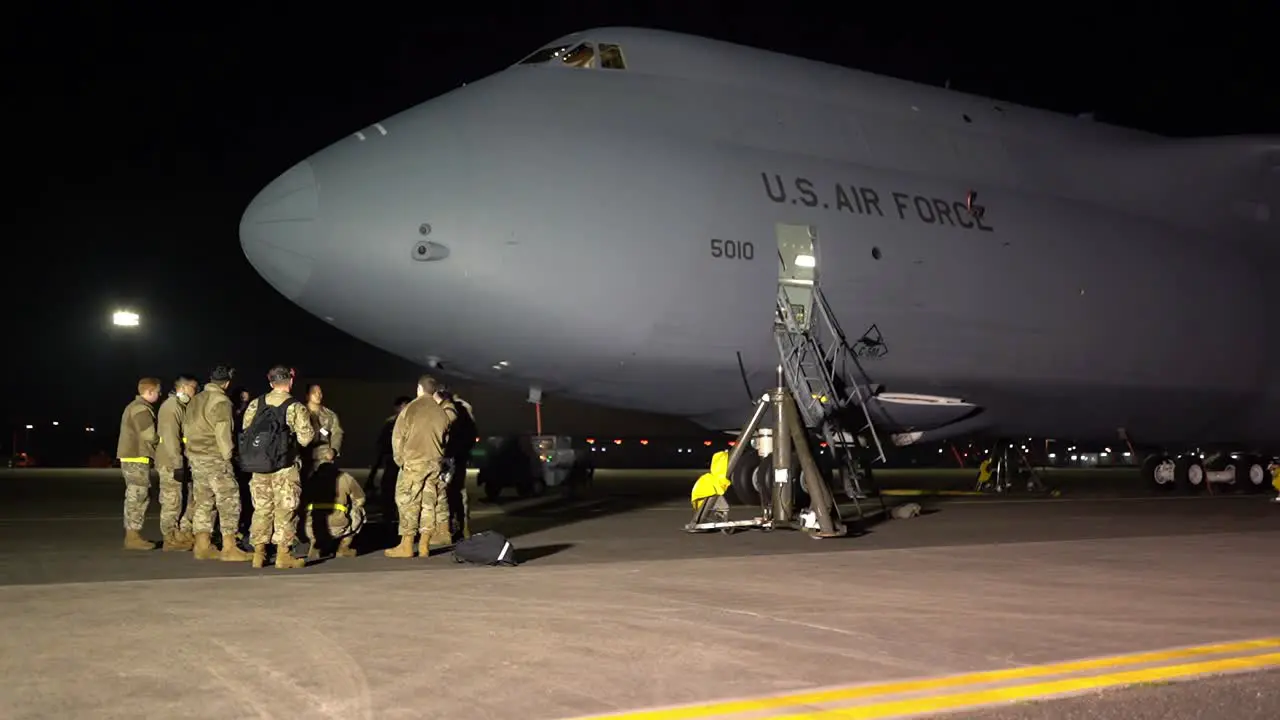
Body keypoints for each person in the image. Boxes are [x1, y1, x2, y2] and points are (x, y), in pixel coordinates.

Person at [240, 365, 315, 570]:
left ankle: (259, 554)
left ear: (270, 381)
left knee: (262, 509)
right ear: (290, 381)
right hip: (284, 466)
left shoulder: (257, 403)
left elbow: (246, 429)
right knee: (285, 509)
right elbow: (306, 438)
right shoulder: (295, 406)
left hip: (259, 465)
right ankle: (283, 555)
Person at [185, 364, 252, 562]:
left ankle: (202, 545)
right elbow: (223, 433)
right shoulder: (221, 401)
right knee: (228, 500)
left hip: (196, 458)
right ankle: (230, 547)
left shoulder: (196, 399)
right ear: (227, 383)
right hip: (215, 458)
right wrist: (229, 456)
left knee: (204, 502)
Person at [385, 375, 455, 558]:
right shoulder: (441, 412)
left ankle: (406, 545)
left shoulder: (411, 408)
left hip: (414, 462)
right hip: (434, 463)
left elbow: (398, 437)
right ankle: (424, 544)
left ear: (419, 388)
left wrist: (400, 459)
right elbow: (444, 440)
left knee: (408, 501)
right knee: (429, 502)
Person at [116, 377, 162, 550]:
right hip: (136, 457)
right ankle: (132, 536)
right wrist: (162, 441)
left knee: (137, 495)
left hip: (134, 457)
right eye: (157, 392)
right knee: (137, 496)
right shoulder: (141, 409)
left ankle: (133, 534)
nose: (159, 395)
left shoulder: (136, 407)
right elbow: (149, 435)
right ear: (149, 391)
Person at [155, 375, 199, 551]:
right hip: (171, 461)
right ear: (185, 387)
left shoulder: (182, 406)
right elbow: (170, 437)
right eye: (194, 388)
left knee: (184, 498)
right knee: (171, 500)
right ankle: (170, 537)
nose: (195, 393)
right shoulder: (171, 407)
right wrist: (178, 463)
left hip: (182, 460)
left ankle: (181, 533)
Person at [302, 449, 366, 560]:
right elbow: (360, 499)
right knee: (360, 511)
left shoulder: (310, 479)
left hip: (311, 527)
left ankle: (314, 545)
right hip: (338, 525)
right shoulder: (345, 477)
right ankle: (343, 548)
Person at [440, 389, 477, 543]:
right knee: (459, 492)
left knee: (448, 493)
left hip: (449, 457)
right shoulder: (464, 410)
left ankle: (450, 529)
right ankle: (463, 527)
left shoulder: (451, 411)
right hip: (459, 457)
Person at [368, 396, 411, 503]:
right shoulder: (391, 423)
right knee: (388, 486)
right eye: (403, 406)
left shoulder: (414, 423)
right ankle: (388, 513)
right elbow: (382, 442)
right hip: (392, 459)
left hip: (408, 461)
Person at [304, 383, 344, 478]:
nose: (318, 395)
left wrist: (334, 450)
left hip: (324, 458)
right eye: (314, 392)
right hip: (304, 457)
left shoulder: (330, 415)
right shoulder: (300, 413)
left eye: (320, 393)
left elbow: (337, 433)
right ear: (307, 396)